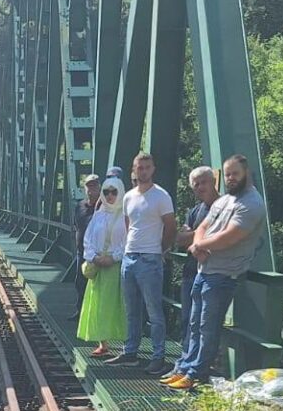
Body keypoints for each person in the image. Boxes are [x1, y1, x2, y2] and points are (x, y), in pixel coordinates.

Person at [166, 156, 267, 389]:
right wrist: (199, 244)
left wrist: (200, 246)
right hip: (204, 271)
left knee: (208, 326)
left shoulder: (252, 203)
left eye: (235, 173)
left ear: (246, 172)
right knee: (195, 323)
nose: (231, 178)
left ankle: (196, 374)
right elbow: (203, 226)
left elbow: (231, 236)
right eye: (228, 174)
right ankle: (186, 367)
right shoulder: (225, 201)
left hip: (223, 275)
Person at [107, 152, 176, 371]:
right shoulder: (128, 196)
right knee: (131, 310)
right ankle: (130, 352)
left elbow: (171, 227)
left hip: (149, 259)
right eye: (139, 167)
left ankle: (158, 356)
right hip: (130, 258)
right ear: (134, 170)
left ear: (153, 169)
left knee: (154, 311)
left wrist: (160, 249)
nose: (143, 171)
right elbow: (129, 225)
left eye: (147, 167)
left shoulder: (161, 196)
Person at [172, 166, 220, 367]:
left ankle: (200, 367)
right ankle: (186, 363)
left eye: (204, 182)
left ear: (214, 182)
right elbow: (179, 239)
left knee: (205, 324)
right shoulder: (195, 210)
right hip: (191, 273)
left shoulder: (224, 207)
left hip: (214, 274)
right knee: (188, 321)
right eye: (196, 184)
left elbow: (224, 236)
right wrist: (203, 235)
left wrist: (195, 236)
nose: (200, 187)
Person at [77, 175, 127, 357]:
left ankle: (125, 345)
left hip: (117, 266)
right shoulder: (98, 215)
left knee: (119, 304)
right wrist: (93, 257)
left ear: (121, 192)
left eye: (114, 191)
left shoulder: (125, 215)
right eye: (106, 192)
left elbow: (128, 241)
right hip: (99, 265)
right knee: (98, 305)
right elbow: (87, 240)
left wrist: (114, 257)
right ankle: (102, 343)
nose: (110, 195)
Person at [66, 174, 103, 320]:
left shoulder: (104, 208)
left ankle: (95, 315)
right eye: (88, 186)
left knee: (97, 286)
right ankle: (80, 311)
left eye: (94, 185)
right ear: (84, 188)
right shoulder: (79, 206)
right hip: (82, 252)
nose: (91, 189)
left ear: (99, 187)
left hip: (98, 253)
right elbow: (76, 226)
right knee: (80, 282)